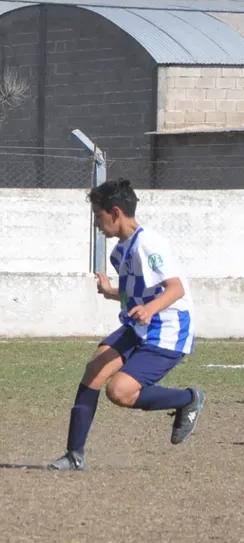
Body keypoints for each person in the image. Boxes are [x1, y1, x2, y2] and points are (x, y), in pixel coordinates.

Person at [49, 178, 205, 471]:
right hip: (139, 326)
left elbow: (175, 288)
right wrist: (111, 291)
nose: (96, 223)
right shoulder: (121, 250)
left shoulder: (149, 244)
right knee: (94, 370)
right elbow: (138, 289)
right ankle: (74, 455)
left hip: (167, 331)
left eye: (98, 215)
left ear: (116, 212)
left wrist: (150, 309)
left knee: (118, 392)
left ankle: (188, 399)